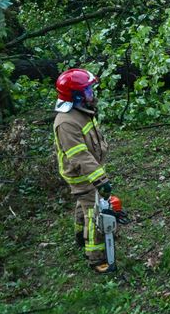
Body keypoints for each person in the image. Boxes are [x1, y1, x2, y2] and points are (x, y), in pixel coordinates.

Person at [52, 68, 115, 273]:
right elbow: (79, 156)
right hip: (81, 175)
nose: (92, 93)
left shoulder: (82, 111)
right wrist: (101, 180)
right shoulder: (67, 123)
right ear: (76, 95)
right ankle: (96, 258)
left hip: (88, 171)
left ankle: (80, 235)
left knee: (83, 203)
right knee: (94, 212)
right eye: (88, 90)